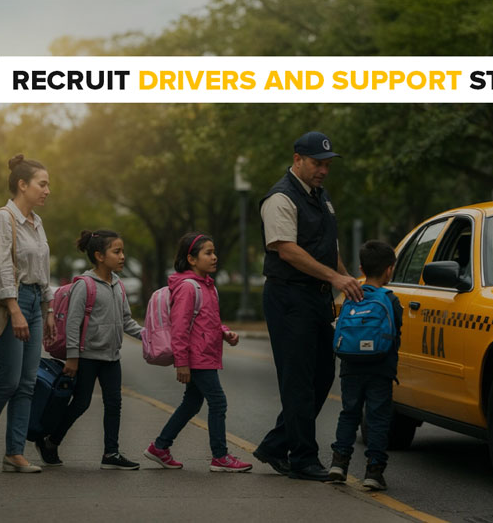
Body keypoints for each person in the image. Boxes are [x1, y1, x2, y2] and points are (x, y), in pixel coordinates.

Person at [253, 131, 364, 481]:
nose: (323, 170)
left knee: (321, 375)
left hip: (316, 297)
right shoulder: (280, 199)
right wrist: (334, 278)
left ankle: (274, 445)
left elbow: (327, 245)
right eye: (317, 163)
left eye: (327, 164)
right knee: (298, 380)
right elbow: (286, 249)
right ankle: (302, 457)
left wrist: (348, 280)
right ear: (297, 159)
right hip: (289, 297)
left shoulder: (320, 196)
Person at [0, 154, 55, 473]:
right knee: (7, 380)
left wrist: (46, 310)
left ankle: (14, 452)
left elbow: (42, 269)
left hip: (34, 302)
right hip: (11, 303)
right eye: (42, 184)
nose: (47, 190)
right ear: (23, 184)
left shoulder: (37, 221)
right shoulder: (3, 219)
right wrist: (14, 308)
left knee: (28, 382)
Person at [34, 230, 144, 470]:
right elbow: (72, 324)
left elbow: (127, 322)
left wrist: (149, 337)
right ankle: (51, 441)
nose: (122, 256)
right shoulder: (85, 286)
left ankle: (111, 453)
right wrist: (72, 358)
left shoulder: (118, 285)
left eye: (122, 251)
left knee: (114, 403)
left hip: (111, 357)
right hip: (86, 358)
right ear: (99, 256)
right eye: (117, 251)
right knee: (80, 403)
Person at [143, 233, 252, 472]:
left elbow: (206, 320)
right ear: (191, 259)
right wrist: (182, 362)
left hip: (205, 353)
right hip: (197, 356)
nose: (214, 257)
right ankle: (220, 457)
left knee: (191, 403)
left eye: (214, 252)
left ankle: (159, 447)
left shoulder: (207, 285)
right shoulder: (188, 287)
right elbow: (180, 328)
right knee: (218, 402)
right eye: (208, 253)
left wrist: (224, 332)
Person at [327, 240, 402, 491]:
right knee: (378, 418)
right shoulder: (391, 300)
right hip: (380, 368)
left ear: (360, 267)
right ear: (389, 269)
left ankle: (339, 463)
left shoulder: (350, 296)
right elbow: (395, 338)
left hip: (351, 367)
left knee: (349, 412)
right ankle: (374, 472)